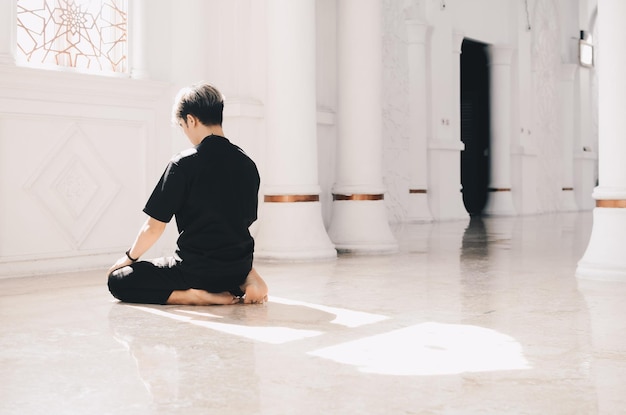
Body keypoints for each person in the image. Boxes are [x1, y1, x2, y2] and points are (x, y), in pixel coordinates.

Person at [107, 83, 268, 305]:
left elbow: (153, 228)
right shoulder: (248, 164)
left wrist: (128, 258)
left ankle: (193, 296)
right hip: (236, 268)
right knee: (228, 266)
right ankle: (248, 278)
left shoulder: (182, 164)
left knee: (118, 280)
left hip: (197, 272)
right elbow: (245, 221)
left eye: (183, 125)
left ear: (191, 120)